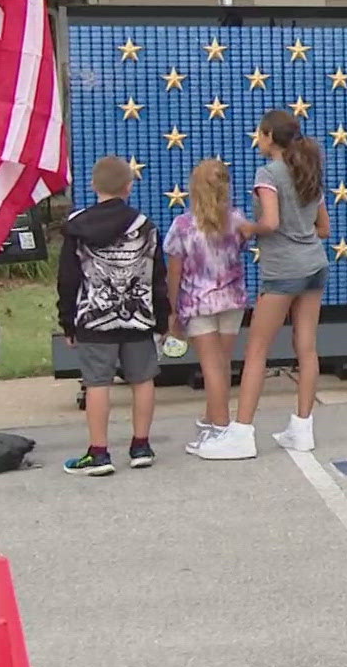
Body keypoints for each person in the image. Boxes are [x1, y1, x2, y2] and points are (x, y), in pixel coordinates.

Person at [201, 111, 329, 461]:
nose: (257, 138)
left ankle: (241, 432)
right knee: (307, 348)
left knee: (257, 350)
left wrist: (245, 227)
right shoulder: (310, 171)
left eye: (259, 133)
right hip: (315, 264)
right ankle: (302, 428)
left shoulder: (267, 174)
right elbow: (323, 229)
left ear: (270, 136)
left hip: (283, 270)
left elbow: (270, 222)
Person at [56, 156, 169, 475]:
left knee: (96, 383)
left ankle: (99, 452)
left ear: (93, 186)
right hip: (138, 317)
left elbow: (68, 279)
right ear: (129, 187)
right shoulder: (145, 226)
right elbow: (156, 277)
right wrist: (161, 319)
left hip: (93, 318)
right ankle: (141, 445)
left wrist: (68, 320)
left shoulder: (77, 226)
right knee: (143, 380)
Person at [165, 159, 251, 452]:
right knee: (222, 365)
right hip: (233, 299)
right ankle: (211, 417)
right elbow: (241, 250)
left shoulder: (183, 226)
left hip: (198, 302)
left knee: (210, 368)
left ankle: (221, 427)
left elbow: (174, 270)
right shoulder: (238, 220)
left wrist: (173, 309)